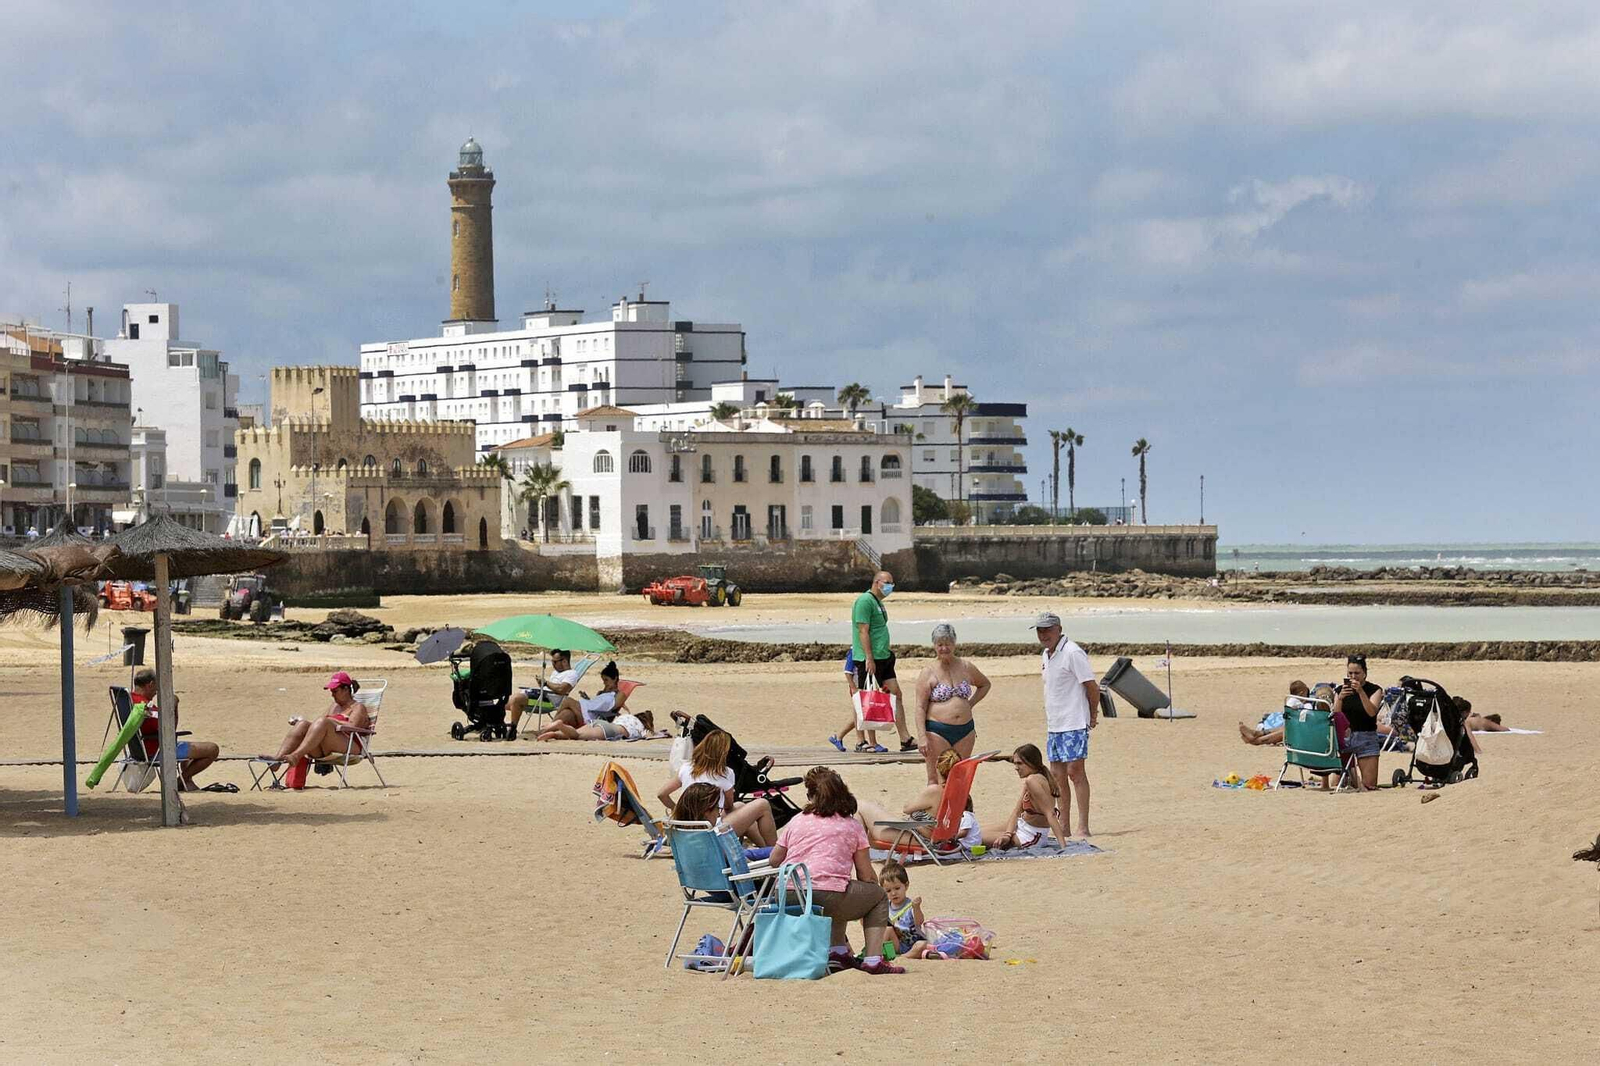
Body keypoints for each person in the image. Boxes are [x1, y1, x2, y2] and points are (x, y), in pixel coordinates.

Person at [767, 767, 903, 975]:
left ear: (812, 796)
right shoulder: (852, 826)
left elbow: (775, 859)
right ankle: (873, 960)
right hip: (827, 895)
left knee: (841, 886)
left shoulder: (797, 821)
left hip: (788, 894)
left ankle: (838, 951)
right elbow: (865, 874)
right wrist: (873, 888)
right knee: (871, 895)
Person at [1035, 611, 1099, 838]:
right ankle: (1065, 825)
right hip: (1055, 724)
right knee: (1057, 776)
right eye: (1040, 630)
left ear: (1059, 629)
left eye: (1048, 629)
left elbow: (1092, 686)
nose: (1044, 634)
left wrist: (1092, 715)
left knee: (1075, 772)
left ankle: (1083, 825)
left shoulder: (1073, 652)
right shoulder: (1046, 654)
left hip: (1074, 721)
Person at [657, 729, 776, 846]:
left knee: (741, 806)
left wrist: (677, 809)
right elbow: (728, 807)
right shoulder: (724, 773)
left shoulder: (686, 768)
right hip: (710, 831)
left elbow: (662, 794)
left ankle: (767, 850)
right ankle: (775, 852)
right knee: (762, 805)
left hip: (689, 826)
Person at [856, 748, 983, 851]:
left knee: (860, 806)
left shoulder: (935, 791)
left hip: (921, 840)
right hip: (939, 839)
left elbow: (906, 808)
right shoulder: (960, 793)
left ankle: (857, 856)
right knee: (873, 807)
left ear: (937, 767)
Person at [914, 623, 991, 779]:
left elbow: (984, 684)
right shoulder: (928, 672)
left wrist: (970, 704)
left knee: (961, 777)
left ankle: (961, 805)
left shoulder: (966, 667)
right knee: (936, 777)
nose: (944, 648)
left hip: (965, 730)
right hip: (937, 730)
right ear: (934, 646)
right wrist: (922, 737)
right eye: (940, 644)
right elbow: (920, 707)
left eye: (947, 644)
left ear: (954, 644)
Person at [851, 570, 916, 755]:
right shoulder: (864, 601)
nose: (890, 586)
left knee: (895, 694)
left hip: (884, 658)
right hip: (869, 659)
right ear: (876, 582)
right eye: (887, 582)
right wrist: (869, 657)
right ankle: (866, 741)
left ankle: (905, 739)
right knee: (867, 699)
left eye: (892, 583)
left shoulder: (878, 602)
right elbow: (863, 631)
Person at [129, 667, 225, 791]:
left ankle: (186, 781)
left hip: (138, 749)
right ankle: (181, 781)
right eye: (156, 687)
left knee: (191, 749)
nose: (156, 691)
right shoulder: (146, 707)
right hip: (157, 749)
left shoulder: (131, 700)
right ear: (150, 684)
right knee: (212, 749)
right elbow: (169, 729)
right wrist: (173, 705)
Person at [265, 671, 372, 772]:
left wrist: (331, 721)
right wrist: (301, 722)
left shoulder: (358, 707)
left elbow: (352, 726)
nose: (332, 695)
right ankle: (277, 760)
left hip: (350, 747)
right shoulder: (334, 707)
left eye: (335, 691)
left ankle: (296, 756)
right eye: (331, 692)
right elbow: (319, 726)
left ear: (346, 689)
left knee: (324, 722)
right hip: (326, 747)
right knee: (303, 725)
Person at [983, 744, 1069, 849]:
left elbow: (1050, 814)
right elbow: (1017, 812)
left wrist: (1063, 846)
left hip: (1031, 836)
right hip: (1022, 826)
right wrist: (1007, 834)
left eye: (1019, 764)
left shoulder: (1032, 781)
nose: (1016, 768)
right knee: (976, 831)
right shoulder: (1033, 778)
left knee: (974, 837)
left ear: (1031, 763)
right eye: (1015, 764)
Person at [1335, 654, 1384, 791]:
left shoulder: (1374, 690)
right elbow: (1335, 715)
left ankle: (1356, 780)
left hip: (1366, 737)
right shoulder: (1340, 690)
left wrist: (1361, 692)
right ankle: (1352, 777)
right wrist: (1340, 699)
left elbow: (1371, 712)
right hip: (1345, 737)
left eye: (1357, 673)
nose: (1353, 676)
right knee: (1340, 784)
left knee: (1369, 785)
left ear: (1364, 673)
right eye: (1350, 673)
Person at [505, 649, 580, 733]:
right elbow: (550, 687)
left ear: (565, 661)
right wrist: (542, 684)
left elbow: (561, 689)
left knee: (516, 699)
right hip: (542, 695)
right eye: (552, 662)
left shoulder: (572, 674)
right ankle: (500, 725)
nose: (553, 664)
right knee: (503, 702)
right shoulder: (556, 672)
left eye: (555, 662)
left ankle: (512, 728)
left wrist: (546, 683)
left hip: (549, 701)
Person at [539, 661, 627, 730]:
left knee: (568, 700)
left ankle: (550, 725)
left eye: (606, 680)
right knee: (567, 713)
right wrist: (590, 698)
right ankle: (543, 732)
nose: (604, 683)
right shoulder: (603, 693)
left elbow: (610, 707)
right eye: (603, 680)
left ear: (615, 678)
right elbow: (596, 705)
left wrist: (610, 692)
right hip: (586, 713)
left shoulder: (620, 694)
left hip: (590, 719)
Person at [879, 862, 939, 960]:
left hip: (912, 944)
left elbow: (919, 922)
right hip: (896, 943)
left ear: (906, 886)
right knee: (887, 930)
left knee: (922, 944)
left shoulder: (910, 905)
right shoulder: (886, 907)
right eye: (888, 891)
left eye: (897, 888)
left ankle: (903, 957)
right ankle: (880, 955)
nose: (893, 893)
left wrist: (916, 908)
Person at [828, 649, 884, 754]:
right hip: (857, 688)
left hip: (867, 686)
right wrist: (853, 688)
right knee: (861, 714)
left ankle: (839, 737)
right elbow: (848, 672)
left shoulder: (868, 652)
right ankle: (859, 741)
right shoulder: (854, 652)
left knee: (867, 714)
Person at [1238, 680, 1310, 745]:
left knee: (1287, 730)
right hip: (1299, 726)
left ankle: (1256, 738)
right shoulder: (1306, 704)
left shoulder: (1294, 701)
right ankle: (1256, 734)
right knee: (1286, 729)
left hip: (1300, 729)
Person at [535, 708, 656, 742]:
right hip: (610, 731)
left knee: (575, 734)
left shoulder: (626, 716)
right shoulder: (640, 725)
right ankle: (560, 725)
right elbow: (647, 736)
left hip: (601, 723)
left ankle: (556, 734)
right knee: (577, 736)